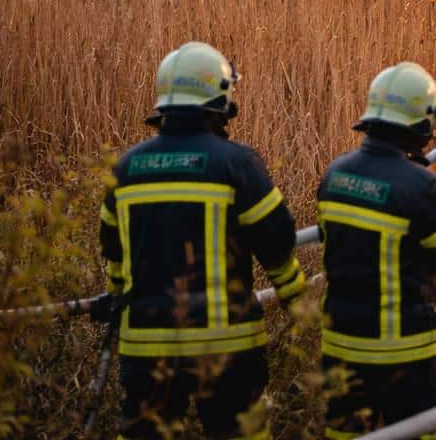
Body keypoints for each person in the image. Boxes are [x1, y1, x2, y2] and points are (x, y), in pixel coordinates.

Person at [100, 42, 304, 440]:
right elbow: (277, 240)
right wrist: (297, 297)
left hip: (146, 348)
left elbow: (113, 251)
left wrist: (118, 303)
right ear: (220, 97)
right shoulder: (237, 163)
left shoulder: (126, 168)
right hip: (226, 348)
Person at [318, 62, 436, 440]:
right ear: (423, 124)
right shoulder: (422, 188)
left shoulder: (335, 174)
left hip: (342, 348)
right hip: (408, 357)